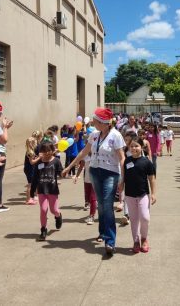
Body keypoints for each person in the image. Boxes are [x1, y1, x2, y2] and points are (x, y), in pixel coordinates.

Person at [63, 107, 126, 256]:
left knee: (107, 204)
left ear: (104, 122)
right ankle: (102, 231)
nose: (93, 122)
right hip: (95, 171)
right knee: (101, 204)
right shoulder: (94, 135)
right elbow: (84, 152)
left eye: (96, 121)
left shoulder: (115, 135)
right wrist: (69, 167)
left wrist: (123, 179)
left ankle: (110, 241)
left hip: (111, 173)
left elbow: (122, 158)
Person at [120, 136, 156, 253]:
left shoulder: (147, 162)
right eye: (132, 146)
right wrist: (120, 187)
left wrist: (153, 193)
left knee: (145, 217)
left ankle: (144, 238)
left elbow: (152, 179)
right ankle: (136, 241)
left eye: (136, 146)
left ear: (142, 147)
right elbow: (123, 177)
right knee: (134, 219)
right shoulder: (127, 161)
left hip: (143, 194)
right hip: (129, 195)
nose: (134, 148)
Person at [32, 141, 64, 241]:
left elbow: (60, 173)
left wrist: (64, 173)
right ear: (41, 151)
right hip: (41, 189)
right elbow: (35, 177)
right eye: (44, 151)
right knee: (43, 210)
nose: (46, 153)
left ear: (53, 151)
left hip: (52, 189)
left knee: (53, 210)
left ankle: (58, 216)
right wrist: (32, 190)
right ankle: (43, 229)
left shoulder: (56, 161)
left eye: (49, 151)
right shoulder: (39, 162)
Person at [74, 151, 97, 225]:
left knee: (92, 198)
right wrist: (76, 176)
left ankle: (92, 216)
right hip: (87, 180)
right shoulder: (85, 156)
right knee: (88, 197)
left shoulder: (98, 155)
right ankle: (90, 206)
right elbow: (81, 166)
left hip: (95, 181)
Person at [24, 134, 40, 205]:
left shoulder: (31, 151)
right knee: (30, 184)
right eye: (36, 143)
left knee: (32, 183)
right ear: (32, 144)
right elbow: (32, 162)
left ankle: (31, 198)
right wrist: (39, 158)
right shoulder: (30, 152)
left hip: (30, 169)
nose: (37, 144)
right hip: (29, 169)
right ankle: (28, 199)